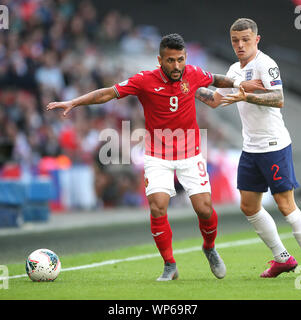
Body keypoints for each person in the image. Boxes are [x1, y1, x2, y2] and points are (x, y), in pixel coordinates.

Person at [46, 33, 265, 281]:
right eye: (171, 61)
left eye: (180, 60)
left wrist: (241, 85)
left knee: (204, 209)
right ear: (160, 59)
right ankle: (170, 265)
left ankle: (209, 247)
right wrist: (74, 102)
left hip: (190, 153)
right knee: (158, 206)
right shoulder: (144, 80)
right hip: (157, 155)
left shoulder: (192, 73)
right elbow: (109, 93)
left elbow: (216, 80)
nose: (176, 66)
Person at [195, 18, 301, 279]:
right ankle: (282, 259)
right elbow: (216, 101)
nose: (240, 45)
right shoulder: (234, 69)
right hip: (251, 148)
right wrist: (188, 88)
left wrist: (247, 95)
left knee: (285, 205)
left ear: (257, 39)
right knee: (249, 205)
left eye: (245, 40)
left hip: (274, 145)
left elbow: (278, 99)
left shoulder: (266, 64)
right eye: (235, 41)